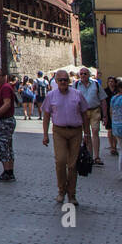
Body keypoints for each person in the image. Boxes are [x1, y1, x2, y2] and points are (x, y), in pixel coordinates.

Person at [41, 70, 91, 206]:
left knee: (73, 164)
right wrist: (45, 134)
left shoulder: (77, 94)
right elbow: (46, 116)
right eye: (60, 80)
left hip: (75, 131)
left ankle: (72, 194)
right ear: (56, 81)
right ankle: (61, 190)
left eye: (65, 79)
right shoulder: (51, 96)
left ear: (69, 81)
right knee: (61, 161)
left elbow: (85, 115)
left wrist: (87, 134)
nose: (63, 82)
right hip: (59, 131)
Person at [73, 67, 108, 165]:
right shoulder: (75, 85)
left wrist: (105, 115)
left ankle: (96, 156)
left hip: (94, 110)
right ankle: (89, 156)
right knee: (86, 134)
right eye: (82, 74)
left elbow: (103, 99)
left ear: (89, 74)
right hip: (82, 112)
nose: (83, 75)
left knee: (95, 131)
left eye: (85, 73)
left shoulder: (96, 84)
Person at [102, 76, 118, 156]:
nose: (111, 83)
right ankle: (112, 146)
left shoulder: (117, 91)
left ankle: (115, 146)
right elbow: (103, 103)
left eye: (112, 81)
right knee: (110, 130)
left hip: (117, 112)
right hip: (108, 112)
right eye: (109, 81)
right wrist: (104, 115)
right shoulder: (105, 91)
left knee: (115, 130)